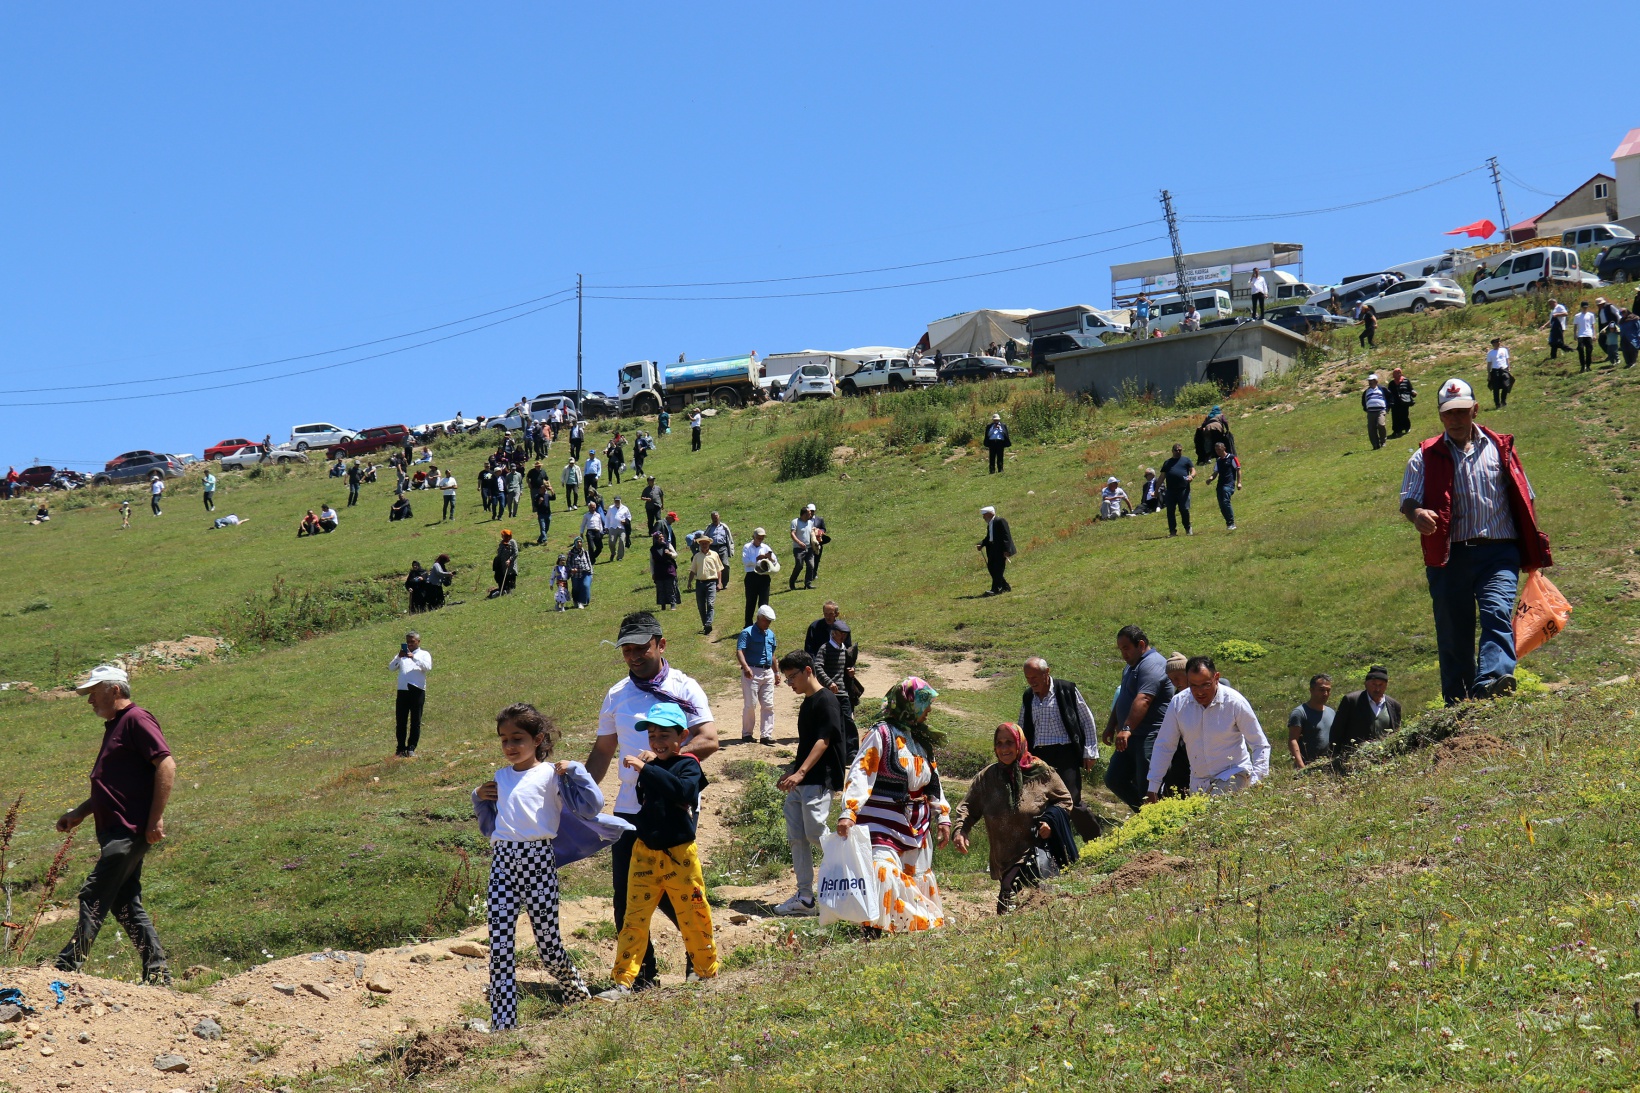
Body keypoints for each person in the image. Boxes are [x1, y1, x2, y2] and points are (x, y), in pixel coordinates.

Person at [585, 613, 718, 989]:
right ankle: (640, 977)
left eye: (640, 647)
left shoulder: (685, 687)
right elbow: (602, 752)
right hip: (629, 811)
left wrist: (660, 763)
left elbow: (708, 739)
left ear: (661, 644)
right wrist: (575, 792)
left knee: (677, 891)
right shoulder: (616, 695)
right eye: (626, 649)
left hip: (672, 811)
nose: (632, 656)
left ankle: (700, 960)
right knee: (626, 894)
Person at [1400, 377, 1551, 704]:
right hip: (1448, 557)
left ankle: (1493, 682)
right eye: (1448, 413)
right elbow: (1408, 501)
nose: (1455, 419)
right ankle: (1459, 704)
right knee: (1454, 633)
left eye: (1461, 412)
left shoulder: (1500, 448)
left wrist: (1535, 548)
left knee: (1497, 612)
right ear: (1440, 416)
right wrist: (1418, 515)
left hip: (1498, 553)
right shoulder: (1424, 455)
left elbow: (1527, 497)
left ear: (1475, 409)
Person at [51, 665, 175, 984]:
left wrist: (155, 818)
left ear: (115, 690)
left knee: (94, 893)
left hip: (129, 829)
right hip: (117, 830)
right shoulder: (115, 726)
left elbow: (166, 763)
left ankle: (68, 964)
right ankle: (157, 970)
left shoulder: (136, 719)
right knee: (123, 900)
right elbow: (115, 786)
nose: (89, 699)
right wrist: (80, 812)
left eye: (94, 692)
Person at [474, 703, 593, 1025]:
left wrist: (577, 772)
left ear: (538, 739)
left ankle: (577, 994)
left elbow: (592, 805)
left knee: (549, 946)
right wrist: (477, 797)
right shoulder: (498, 779)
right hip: (502, 864)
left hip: (539, 862)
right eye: (503, 740)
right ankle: (504, 1023)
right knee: (499, 946)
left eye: (517, 738)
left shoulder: (552, 775)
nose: (510, 746)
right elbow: (489, 828)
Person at [596, 702, 719, 1000]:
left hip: (679, 854)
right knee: (633, 918)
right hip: (645, 851)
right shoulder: (652, 765)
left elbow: (684, 792)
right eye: (652, 735)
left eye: (664, 735)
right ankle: (624, 982)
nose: (657, 741)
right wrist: (649, 767)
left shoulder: (688, 764)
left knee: (693, 912)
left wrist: (647, 768)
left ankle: (705, 973)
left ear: (683, 735)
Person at [836, 677, 951, 933]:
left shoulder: (921, 740)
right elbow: (861, 771)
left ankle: (909, 927)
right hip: (882, 821)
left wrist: (942, 816)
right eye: (925, 704)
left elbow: (933, 781)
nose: (929, 710)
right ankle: (875, 928)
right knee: (883, 871)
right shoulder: (881, 734)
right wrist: (849, 810)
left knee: (915, 875)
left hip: (916, 823)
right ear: (909, 704)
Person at [952, 724, 1075, 915]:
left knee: (1009, 900)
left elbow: (1064, 800)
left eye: (1009, 742)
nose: (1004, 749)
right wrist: (961, 830)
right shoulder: (988, 778)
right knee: (1031, 905)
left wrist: (1050, 821)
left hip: (1034, 851)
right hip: (1003, 857)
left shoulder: (1041, 772)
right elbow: (968, 807)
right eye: (999, 743)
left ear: (1020, 744)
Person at [772, 650, 847, 917]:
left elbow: (824, 740)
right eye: (786, 677)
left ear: (808, 671)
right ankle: (805, 897)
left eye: (792, 676)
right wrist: (792, 770)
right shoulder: (807, 702)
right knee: (797, 837)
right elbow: (806, 745)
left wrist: (801, 773)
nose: (789, 683)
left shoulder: (826, 700)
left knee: (815, 832)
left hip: (818, 778)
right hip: (802, 779)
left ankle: (848, 871)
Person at [1146, 656, 1271, 800]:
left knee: (1219, 814)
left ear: (1216, 677)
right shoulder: (1178, 704)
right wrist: (1153, 787)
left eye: (1206, 684)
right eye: (1193, 685)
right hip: (1198, 782)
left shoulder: (1234, 702)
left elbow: (1260, 744)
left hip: (1233, 775)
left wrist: (1257, 782)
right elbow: (1165, 746)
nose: (1200, 692)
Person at [1102, 625, 1176, 812]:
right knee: (1114, 778)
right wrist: (1112, 725)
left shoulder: (1152, 664)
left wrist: (1126, 728)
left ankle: (1156, 820)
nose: (1123, 654)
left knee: (1148, 786)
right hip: (1131, 735)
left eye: (1126, 648)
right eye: (1120, 649)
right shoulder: (1131, 666)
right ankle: (1146, 815)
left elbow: (1144, 698)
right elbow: (1123, 698)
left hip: (1149, 735)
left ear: (1141, 644)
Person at [1020, 657, 1099, 807]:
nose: (1031, 682)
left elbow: (1086, 720)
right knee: (1041, 800)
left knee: (1071, 799)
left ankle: (1090, 829)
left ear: (1047, 672)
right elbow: (1022, 726)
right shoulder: (1028, 696)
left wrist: (1090, 751)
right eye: (1028, 678)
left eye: (1035, 677)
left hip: (1065, 754)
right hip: (1039, 755)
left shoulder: (1066, 690)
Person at [1331, 666, 1404, 762]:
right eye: (1374, 684)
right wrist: (1335, 757)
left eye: (1381, 685)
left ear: (1386, 685)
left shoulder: (1394, 706)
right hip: (1354, 760)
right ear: (1365, 684)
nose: (1377, 689)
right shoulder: (1351, 701)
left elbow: (1396, 734)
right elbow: (1337, 730)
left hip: (1384, 759)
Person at [737, 605, 778, 744]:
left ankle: (766, 735)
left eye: (769, 621)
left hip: (767, 672)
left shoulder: (771, 634)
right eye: (766, 620)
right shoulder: (747, 633)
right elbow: (740, 651)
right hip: (751, 672)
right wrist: (746, 667)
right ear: (759, 618)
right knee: (751, 704)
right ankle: (747, 733)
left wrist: (776, 672)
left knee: (768, 704)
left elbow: (772, 655)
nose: (768, 623)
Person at [390, 632, 432, 757]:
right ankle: (400, 748)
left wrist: (413, 657)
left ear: (418, 642)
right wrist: (399, 656)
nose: (409, 644)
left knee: (415, 720)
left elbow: (428, 667)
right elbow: (391, 667)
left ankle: (411, 747)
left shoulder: (424, 654)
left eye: (412, 641)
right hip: (403, 690)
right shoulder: (401, 655)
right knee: (401, 721)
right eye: (408, 641)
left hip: (417, 690)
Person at [1287, 674, 1334, 770]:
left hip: (1327, 766)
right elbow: (1293, 740)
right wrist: (1301, 767)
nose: (1325, 694)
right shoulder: (1300, 713)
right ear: (1311, 690)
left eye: (1328, 690)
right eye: (1321, 690)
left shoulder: (1331, 712)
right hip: (1308, 765)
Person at [741, 527, 776, 626]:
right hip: (751, 576)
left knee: (764, 603)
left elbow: (775, 561)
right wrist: (756, 559)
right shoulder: (747, 547)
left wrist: (770, 558)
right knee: (751, 602)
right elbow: (745, 561)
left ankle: (762, 625)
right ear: (754, 537)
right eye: (759, 538)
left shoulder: (765, 547)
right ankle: (748, 624)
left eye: (762, 538)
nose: (760, 540)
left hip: (764, 576)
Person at [977, 505, 1015, 594]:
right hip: (992, 550)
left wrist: (1006, 550)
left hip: (1000, 550)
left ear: (990, 514)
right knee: (992, 568)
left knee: (998, 569)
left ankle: (995, 589)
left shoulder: (1000, 521)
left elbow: (1006, 536)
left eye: (984, 515)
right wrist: (981, 544)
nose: (983, 517)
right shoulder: (990, 524)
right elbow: (989, 538)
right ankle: (1005, 586)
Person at [689, 534, 722, 633]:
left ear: (709, 544)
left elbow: (719, 569)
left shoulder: (714, 555)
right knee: (701, 605)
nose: (704, 545)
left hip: (711, 582)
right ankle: (705, 625)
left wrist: (719, 583)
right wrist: (689, 582)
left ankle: (708, 623)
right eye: (702, 543)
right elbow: (693, 570)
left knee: (710, 603)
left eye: (706, 543)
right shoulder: (697, 556)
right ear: (699, 544)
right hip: (699, 583)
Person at [1206, 441, 1242, 530]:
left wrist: (1239, 482)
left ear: (1224, 448)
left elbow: (1238, 469)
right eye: (1216, 450)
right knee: (1221, 504)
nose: (1217, 451)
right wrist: (1210, 479)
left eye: (1219, 449)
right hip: (1220, 485)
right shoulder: (1218, 461)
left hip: (1229, 485)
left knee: (1226, 502)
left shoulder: (1232, 458)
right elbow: (1215, 472)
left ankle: (1232, 522)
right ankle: (1228, 523)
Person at [1160, 444, 1195, 536]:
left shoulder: (1186, 460)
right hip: (1171, 491)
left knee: (1184, 509)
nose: (1178, 452)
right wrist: (1156, 490)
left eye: (1180, 450)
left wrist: (1191, 476)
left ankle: (1188, 527)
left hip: (1183, 489)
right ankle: (1172, 531)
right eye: (1176, 450)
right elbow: (1162, 477)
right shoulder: (1167, 463)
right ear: (1172, 451)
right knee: (1170, 511)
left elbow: (1193, 470)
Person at [789, 503, 818, 591]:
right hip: (798, 548)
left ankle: (808, 583)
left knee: (811, 565)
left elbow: (812, 533)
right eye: (809, 513)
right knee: (799, 565)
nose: (811, 515)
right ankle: (792, 582)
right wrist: (799, 542)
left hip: (809, 548)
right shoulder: (795, 522)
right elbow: (792, 534)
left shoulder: (810, 522)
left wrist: (815, 540)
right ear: (804, 514)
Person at [650, 530, 680, 610]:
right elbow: (652, 562)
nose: (661, 538)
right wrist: (653, 573)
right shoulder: (653, 549)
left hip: (669, 569)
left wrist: (670, 554)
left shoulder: (668, 545)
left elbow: (675, 555)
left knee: (671, 587)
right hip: (659, 571)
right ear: (655, 539)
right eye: (659, 537)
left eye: (662, 537)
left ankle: (673, 604)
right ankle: (663, 606)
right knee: (661, 588)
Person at [705, 511, 734, 591]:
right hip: (712, 548)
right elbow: (705, 537)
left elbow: (730, 538)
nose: (714, 519)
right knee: (713, 566)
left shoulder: (724, 527)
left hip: (723, 548)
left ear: (719, 517)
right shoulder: (709, 528)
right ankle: (716, 583)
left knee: (725, 565)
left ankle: (724, 583)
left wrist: (731, 549)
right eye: (713, 517)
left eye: (716, 517)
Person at [1362, 373, 1390, 449]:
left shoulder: (1382, 389)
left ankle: (1383, 441)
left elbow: (1389, 396)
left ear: (1376, 381)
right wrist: (1366, 408)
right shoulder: (1366, 391)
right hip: (1370, 412)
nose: (1370, 382)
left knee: (1381, 424)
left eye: (1372, 381)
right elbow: (1363, 401)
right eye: (1369, 381)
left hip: (1380, 410)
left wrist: (1388, 407)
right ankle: (1375, 445)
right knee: (1371, 428)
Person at [1387, 367, 1416, 438]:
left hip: (1404, 401)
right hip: (1395, 403)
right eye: (1397, 373)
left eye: (1400, 373)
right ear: (1394, 375)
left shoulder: (1406, 381)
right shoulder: (1391, 383)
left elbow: (1410, 389)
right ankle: (1397, 430)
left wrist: (1413, 393)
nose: (1399, 374)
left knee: (1404, 415)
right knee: (1395, 417)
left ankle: (1407, 428)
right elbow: (1389, 393)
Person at [1485, 337, 1513, 409]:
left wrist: (1509, 368)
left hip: (1504, 370)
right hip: (1495, 371)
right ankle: (1497, 404)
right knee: (1496, 389)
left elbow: (1507, 359)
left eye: (1499, 342)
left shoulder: (1504, 350)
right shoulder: (1490, 353)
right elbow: (1489, 364)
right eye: (1497, 342)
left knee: (1506, 386)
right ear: (1493, 344)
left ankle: (1503, 401)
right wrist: (1489, 374)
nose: (1499, 343)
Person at [567, 536, 593, 608]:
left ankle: (582, 601)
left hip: (586, 572)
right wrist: (571, 569)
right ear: (575, 543)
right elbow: (568, 564)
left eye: (580, 542)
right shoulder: (571, 553)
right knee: (576, 588)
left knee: (585, 585)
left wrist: (591, 572)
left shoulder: (585, 552)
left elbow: (589, 562)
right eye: (577, 542)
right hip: (575, 574)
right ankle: (576, 601)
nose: (579, 543)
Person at [491, 530, 519, 596]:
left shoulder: (512, 542)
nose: (502, 536)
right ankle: (504, 591)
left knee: (510, 578)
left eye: (503, 535)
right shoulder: (502, 543)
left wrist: (510, 560)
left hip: (510, 565)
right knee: (502, 578)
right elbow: (499, 553)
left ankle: (511, 591)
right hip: (502, 565)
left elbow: (515, 553)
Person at [1573, 301, 1597, 372]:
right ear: (1581, 307)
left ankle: (1588, 365)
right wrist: (1575, 334)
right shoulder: (1577, 316)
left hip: (1589, 334)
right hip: (1581, 335)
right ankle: (1582, 366)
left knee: (1589, 350)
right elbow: (1575, 325)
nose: (1585, 309)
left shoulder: (1591, 315)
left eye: (1586, 307)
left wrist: (1594, 334)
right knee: (1580, 349)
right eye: (1584, 307)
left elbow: (1593, 325)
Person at [1598, 297, 1623, 364]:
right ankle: (1610, 354)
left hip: (1611, 325)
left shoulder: (1609, 306)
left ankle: (1614, 355)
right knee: (1601, 341)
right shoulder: (1600, 310)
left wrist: (1619, 323)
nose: (1598, 306)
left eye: (1599, 304)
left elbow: (1617, 313)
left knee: (1611, 342)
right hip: (1604, 326)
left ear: (1603, 303)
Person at [609, 496, 633, 562]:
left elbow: (629, 517)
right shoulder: (611, 508)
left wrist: (625, 521)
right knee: (611, 542)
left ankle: (619, 557)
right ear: (614, 501)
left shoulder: (625, 508)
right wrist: (607, 527)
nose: (617, 502)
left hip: (622, 528)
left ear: (620, 501)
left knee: (622, 541)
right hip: (613, 527)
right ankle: (613, 553)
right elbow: (607, 518)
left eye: (618, 501)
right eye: (616, 501)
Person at [531, 478, 554, 545]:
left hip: (548, 514)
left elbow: (553, 498)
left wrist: (552, 491)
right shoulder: (537, 496)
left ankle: (539, 539)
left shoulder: (547, 495)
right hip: (541, 515)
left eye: (545, 489)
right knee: (543, 528)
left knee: (546, 528)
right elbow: (535, 506)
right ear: (540, 490)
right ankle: (544, 540)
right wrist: (539, 502)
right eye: (543, 489)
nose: (544, 490)